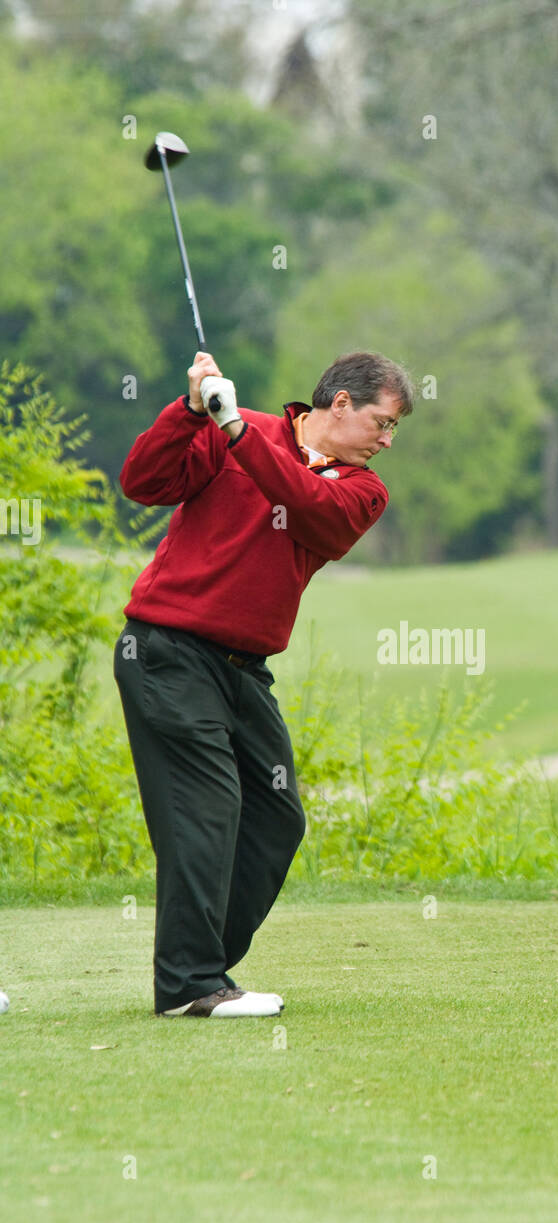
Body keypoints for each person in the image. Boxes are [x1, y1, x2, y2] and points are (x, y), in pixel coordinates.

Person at [114, 349, 414, 1018]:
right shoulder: (228, 431)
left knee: (276, 819)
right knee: (208, 809)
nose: (387, 442)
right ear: (339, 403)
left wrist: (236, 433)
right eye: (382, 423)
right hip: (168, 650)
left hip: (244, 671)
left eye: (393, 431)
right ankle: (190, 984)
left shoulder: (362, 489)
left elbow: (303, 500)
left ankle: (197, 964)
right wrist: (191, 412)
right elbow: (143, 480)